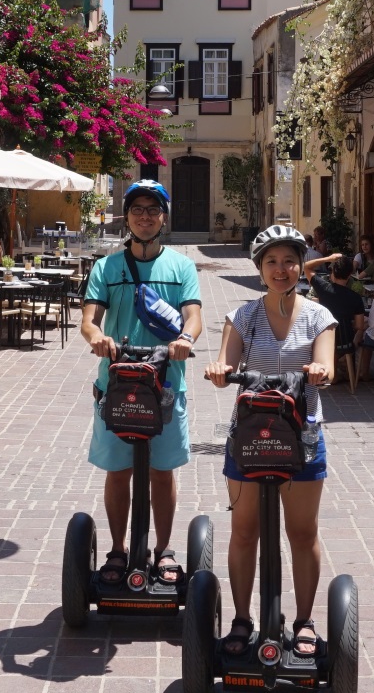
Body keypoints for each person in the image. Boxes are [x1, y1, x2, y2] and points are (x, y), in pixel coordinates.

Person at [206, 224, 336, 661]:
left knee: (301, 532)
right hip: (250, 436)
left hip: (303, 438)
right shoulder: (244, 316)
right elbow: (226, 361)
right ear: (260, 269)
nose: (281, 270)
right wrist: (219, 370)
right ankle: (243, 619)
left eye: (289, 261)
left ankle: (303, 621)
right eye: (271, 262)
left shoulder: (319, 316)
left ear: (301, 266)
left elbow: (326, 362)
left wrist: (319, 371)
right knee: (244, 532)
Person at [77, 179, 204, 589]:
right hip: (118, 382)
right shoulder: (107, 267)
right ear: (127, 216)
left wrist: (185, 339)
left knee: (162, 473)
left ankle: (164, 550)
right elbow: (88, 319)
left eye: (153, 209)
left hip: (166, 383)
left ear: (163, 217)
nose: (145, 216)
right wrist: (97, 338)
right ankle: (117, 549)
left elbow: (193, 315)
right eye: (137, 209)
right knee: (118, 472)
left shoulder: (181, 266)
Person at [304, 253, 368, 381]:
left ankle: (335, 369)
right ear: (349, 275)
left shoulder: (323, 288)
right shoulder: (355, 297)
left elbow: (305, 267)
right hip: (346, 343)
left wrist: (328, 258)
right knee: (364, 327)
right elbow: (359, 326)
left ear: (333, 271)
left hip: (325, 341)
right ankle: (344, 360)